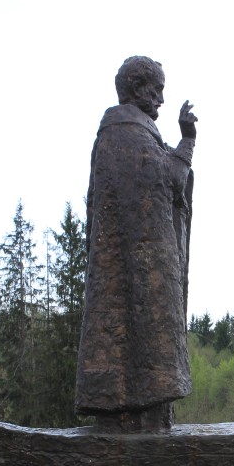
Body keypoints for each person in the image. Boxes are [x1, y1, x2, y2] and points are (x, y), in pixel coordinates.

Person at [75, 56, 197, 431]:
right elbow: (171, 180)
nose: (161, 99)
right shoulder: (129, 133)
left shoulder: (118, 134)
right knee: (145, 337)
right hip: (143, 270)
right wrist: (188, 141)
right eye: (155, 90)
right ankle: (138, 419)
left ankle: (137, 416)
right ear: (136, 88)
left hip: (127, 266)